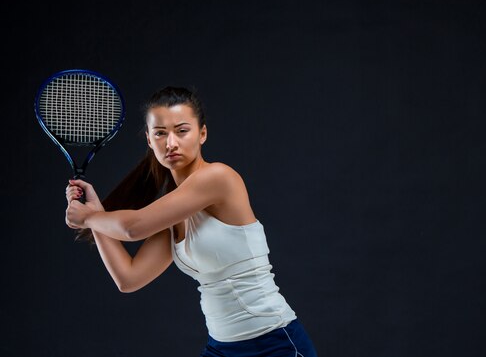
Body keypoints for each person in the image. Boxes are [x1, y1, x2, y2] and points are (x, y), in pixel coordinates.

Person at [64, 86, 318, 357]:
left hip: (274, 343)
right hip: (221, 348)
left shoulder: (219, 177)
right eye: (160, 133)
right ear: (149, 141)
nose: (171, 143)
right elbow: (128, 278)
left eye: (182, 130)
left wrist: (91, 217)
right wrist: (94, 215)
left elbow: (133, 227)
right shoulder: (174, 213)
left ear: (202, 134)